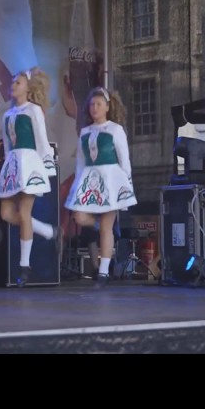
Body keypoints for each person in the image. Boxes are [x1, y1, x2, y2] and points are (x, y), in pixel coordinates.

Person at [0, 67, 62, 287]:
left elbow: (42, 141)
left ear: (28, 87)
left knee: (24, 212)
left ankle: (25, 265)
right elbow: (7, 144)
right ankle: (46, 230)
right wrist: (7, 167)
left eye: (18, 82)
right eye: (13, 82)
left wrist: (47, 169)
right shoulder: (7, 115)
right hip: (12, 164)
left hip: (30, 163)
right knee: (6, 213)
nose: (13, 85)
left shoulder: (34, 110)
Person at [64, 86, 137, 288]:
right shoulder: (85, 132)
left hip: (111, 179)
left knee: (107, 229)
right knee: (79, 216)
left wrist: (126, 184)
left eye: (99, 104)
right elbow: (80, 161)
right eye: (92, 104)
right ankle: (96, 223)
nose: (94, 108)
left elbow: (124, 159)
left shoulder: (115, 129)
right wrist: (77, 186)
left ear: (107, 106)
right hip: (90, 179)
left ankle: (103, 272)